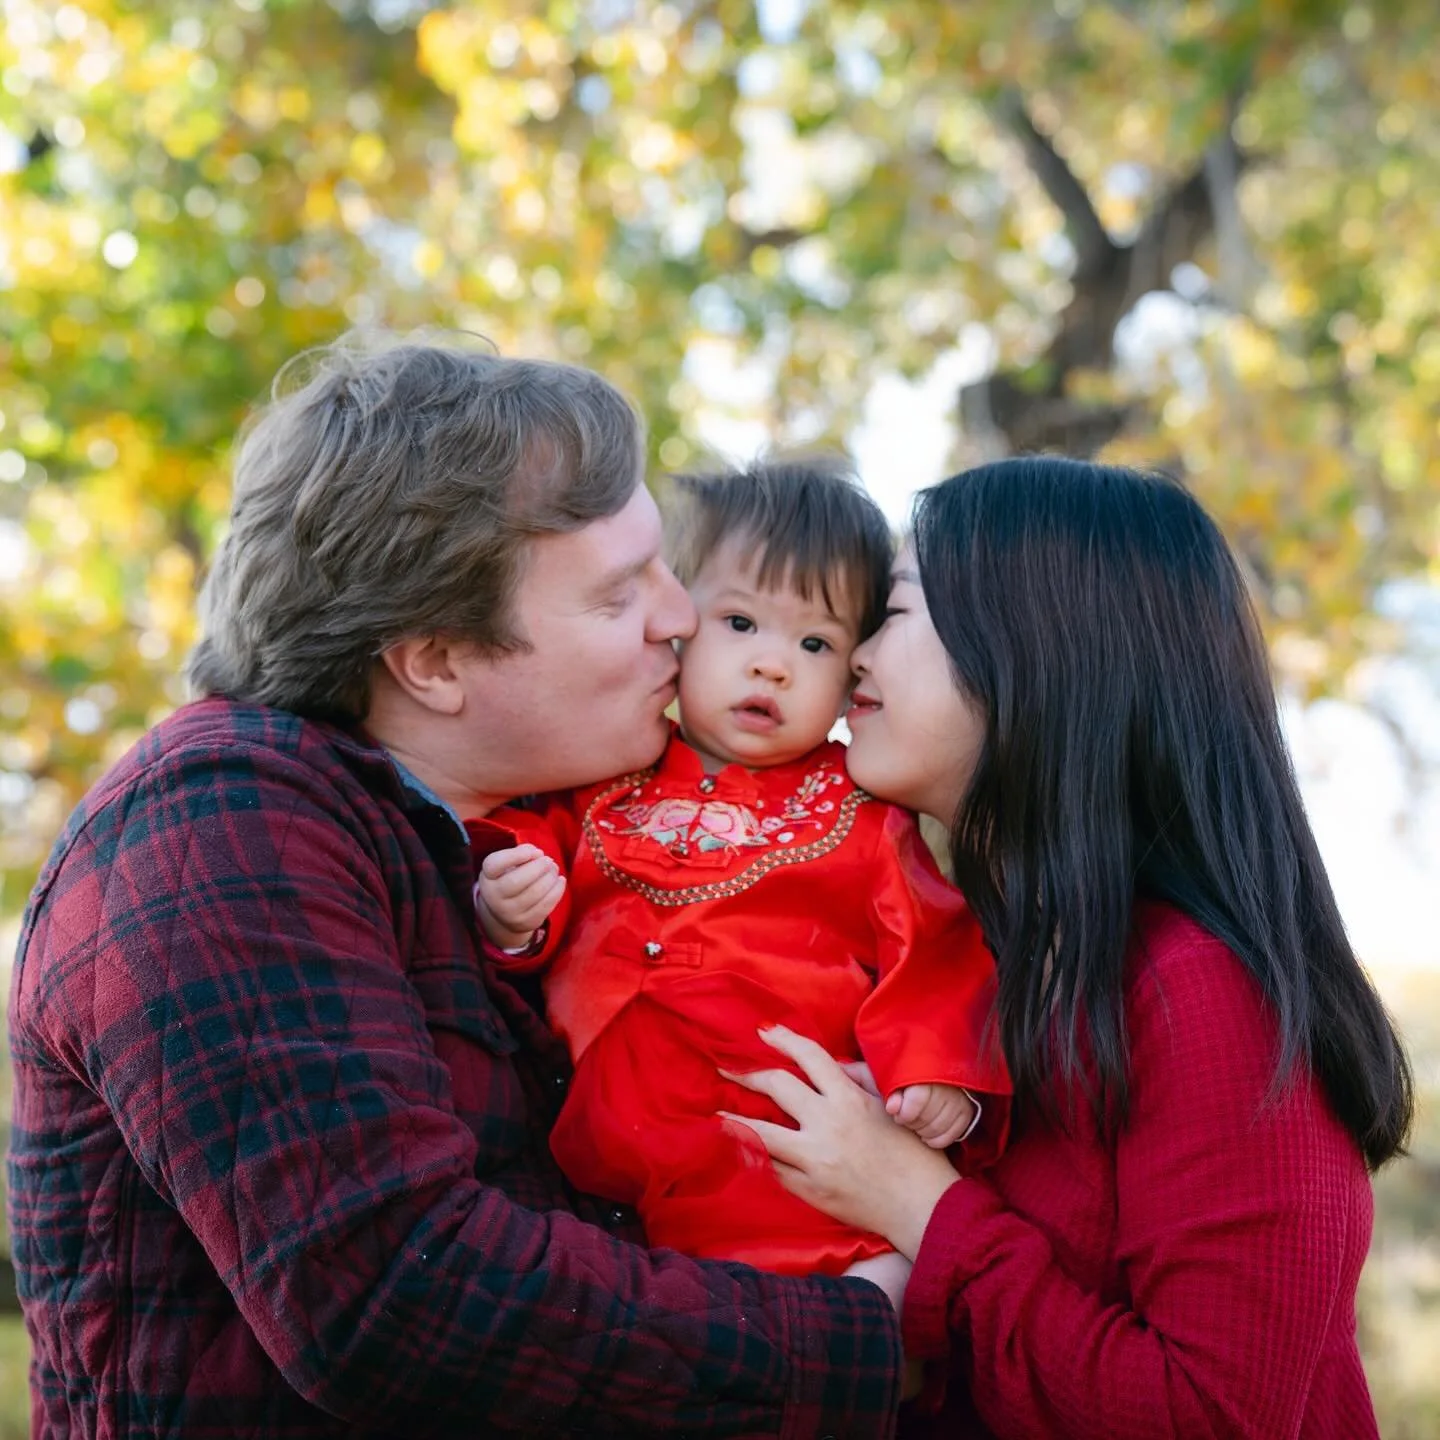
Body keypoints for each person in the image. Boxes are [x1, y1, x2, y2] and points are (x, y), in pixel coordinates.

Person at [6, 333, 907, 1438]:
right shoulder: (217, 825)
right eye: (619, 593)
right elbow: (394, 1296)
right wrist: (866, 1336)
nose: (681, 617)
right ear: (433, 660)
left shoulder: (494, 842)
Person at [723, 456, 1415, 1438]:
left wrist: (919, 1204)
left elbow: (1210, 1418)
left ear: (1035, 653)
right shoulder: (975, 965)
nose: (854, 659)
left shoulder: (1206, 997)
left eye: (896, 613)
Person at [473, 459, 1010, 1278]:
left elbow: (931, 947)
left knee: (859, 1281)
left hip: (771, 1162)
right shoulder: (605, 774)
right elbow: (528, 842)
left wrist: (934, 1073)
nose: (773, 665)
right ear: (680, 626)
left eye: (815, 642)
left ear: (851, 680)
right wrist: (513, 911)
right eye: (740, 623)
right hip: (592, 1159)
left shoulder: (858, 814)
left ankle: (876, 1302)